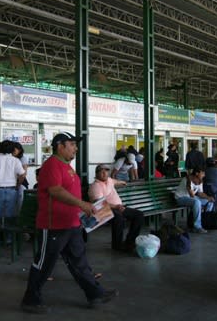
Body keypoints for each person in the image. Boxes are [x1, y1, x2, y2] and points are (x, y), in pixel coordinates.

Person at [21, 132, 118, 313]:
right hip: (53, 225)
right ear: (60, 146)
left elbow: (69, 193)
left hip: (71, 224)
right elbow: (55, 190)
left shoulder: (67, 166)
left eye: (75, 144)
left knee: (79, 262)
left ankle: (95, 294)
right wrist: (82, 203)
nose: (76, 148)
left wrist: (82, 210)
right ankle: (30, 300)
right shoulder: (52, 165)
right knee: (44, 263)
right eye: (72, 144)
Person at [89, 164, 144, 252]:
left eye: (106, 171)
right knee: (118, 218)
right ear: (96, 174)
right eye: (101, 171)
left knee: (139, 215)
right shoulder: (95, 186)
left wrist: (122, 182)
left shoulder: (109, 180)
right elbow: (99, 203)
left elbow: (115, 181)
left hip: (118, 208)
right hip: (103, 211)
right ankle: (117, 244)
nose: (104, 173)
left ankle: (130, 241)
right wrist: (116, 206)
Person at [0, 140, 26, 244]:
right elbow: (22, 175)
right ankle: (9, 238)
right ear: (12, 149)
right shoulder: (15, 161)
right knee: (10, 215)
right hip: (11, 190)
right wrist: (17, 184)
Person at [174, 168, 214, 234]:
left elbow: (200, 193)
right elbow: (192, 195)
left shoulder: (200, 180)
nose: (204, 175)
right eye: (202, 173)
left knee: (209, 202)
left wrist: (208, 197)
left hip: (190, 198)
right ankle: (197, 227)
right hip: (181, 198)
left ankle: (205, 222)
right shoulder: (187, 180)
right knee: (197, 202)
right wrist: (199, 203)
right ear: (197, 173)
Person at [12, 142, 29, 213]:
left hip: (21, 183)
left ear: (19, 150)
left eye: (14, 150)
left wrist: (18, 184)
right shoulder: (11, 158)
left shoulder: (22, 158)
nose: (13, 152)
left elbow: (24, 174)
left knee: (20, 201)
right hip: (12, 182)